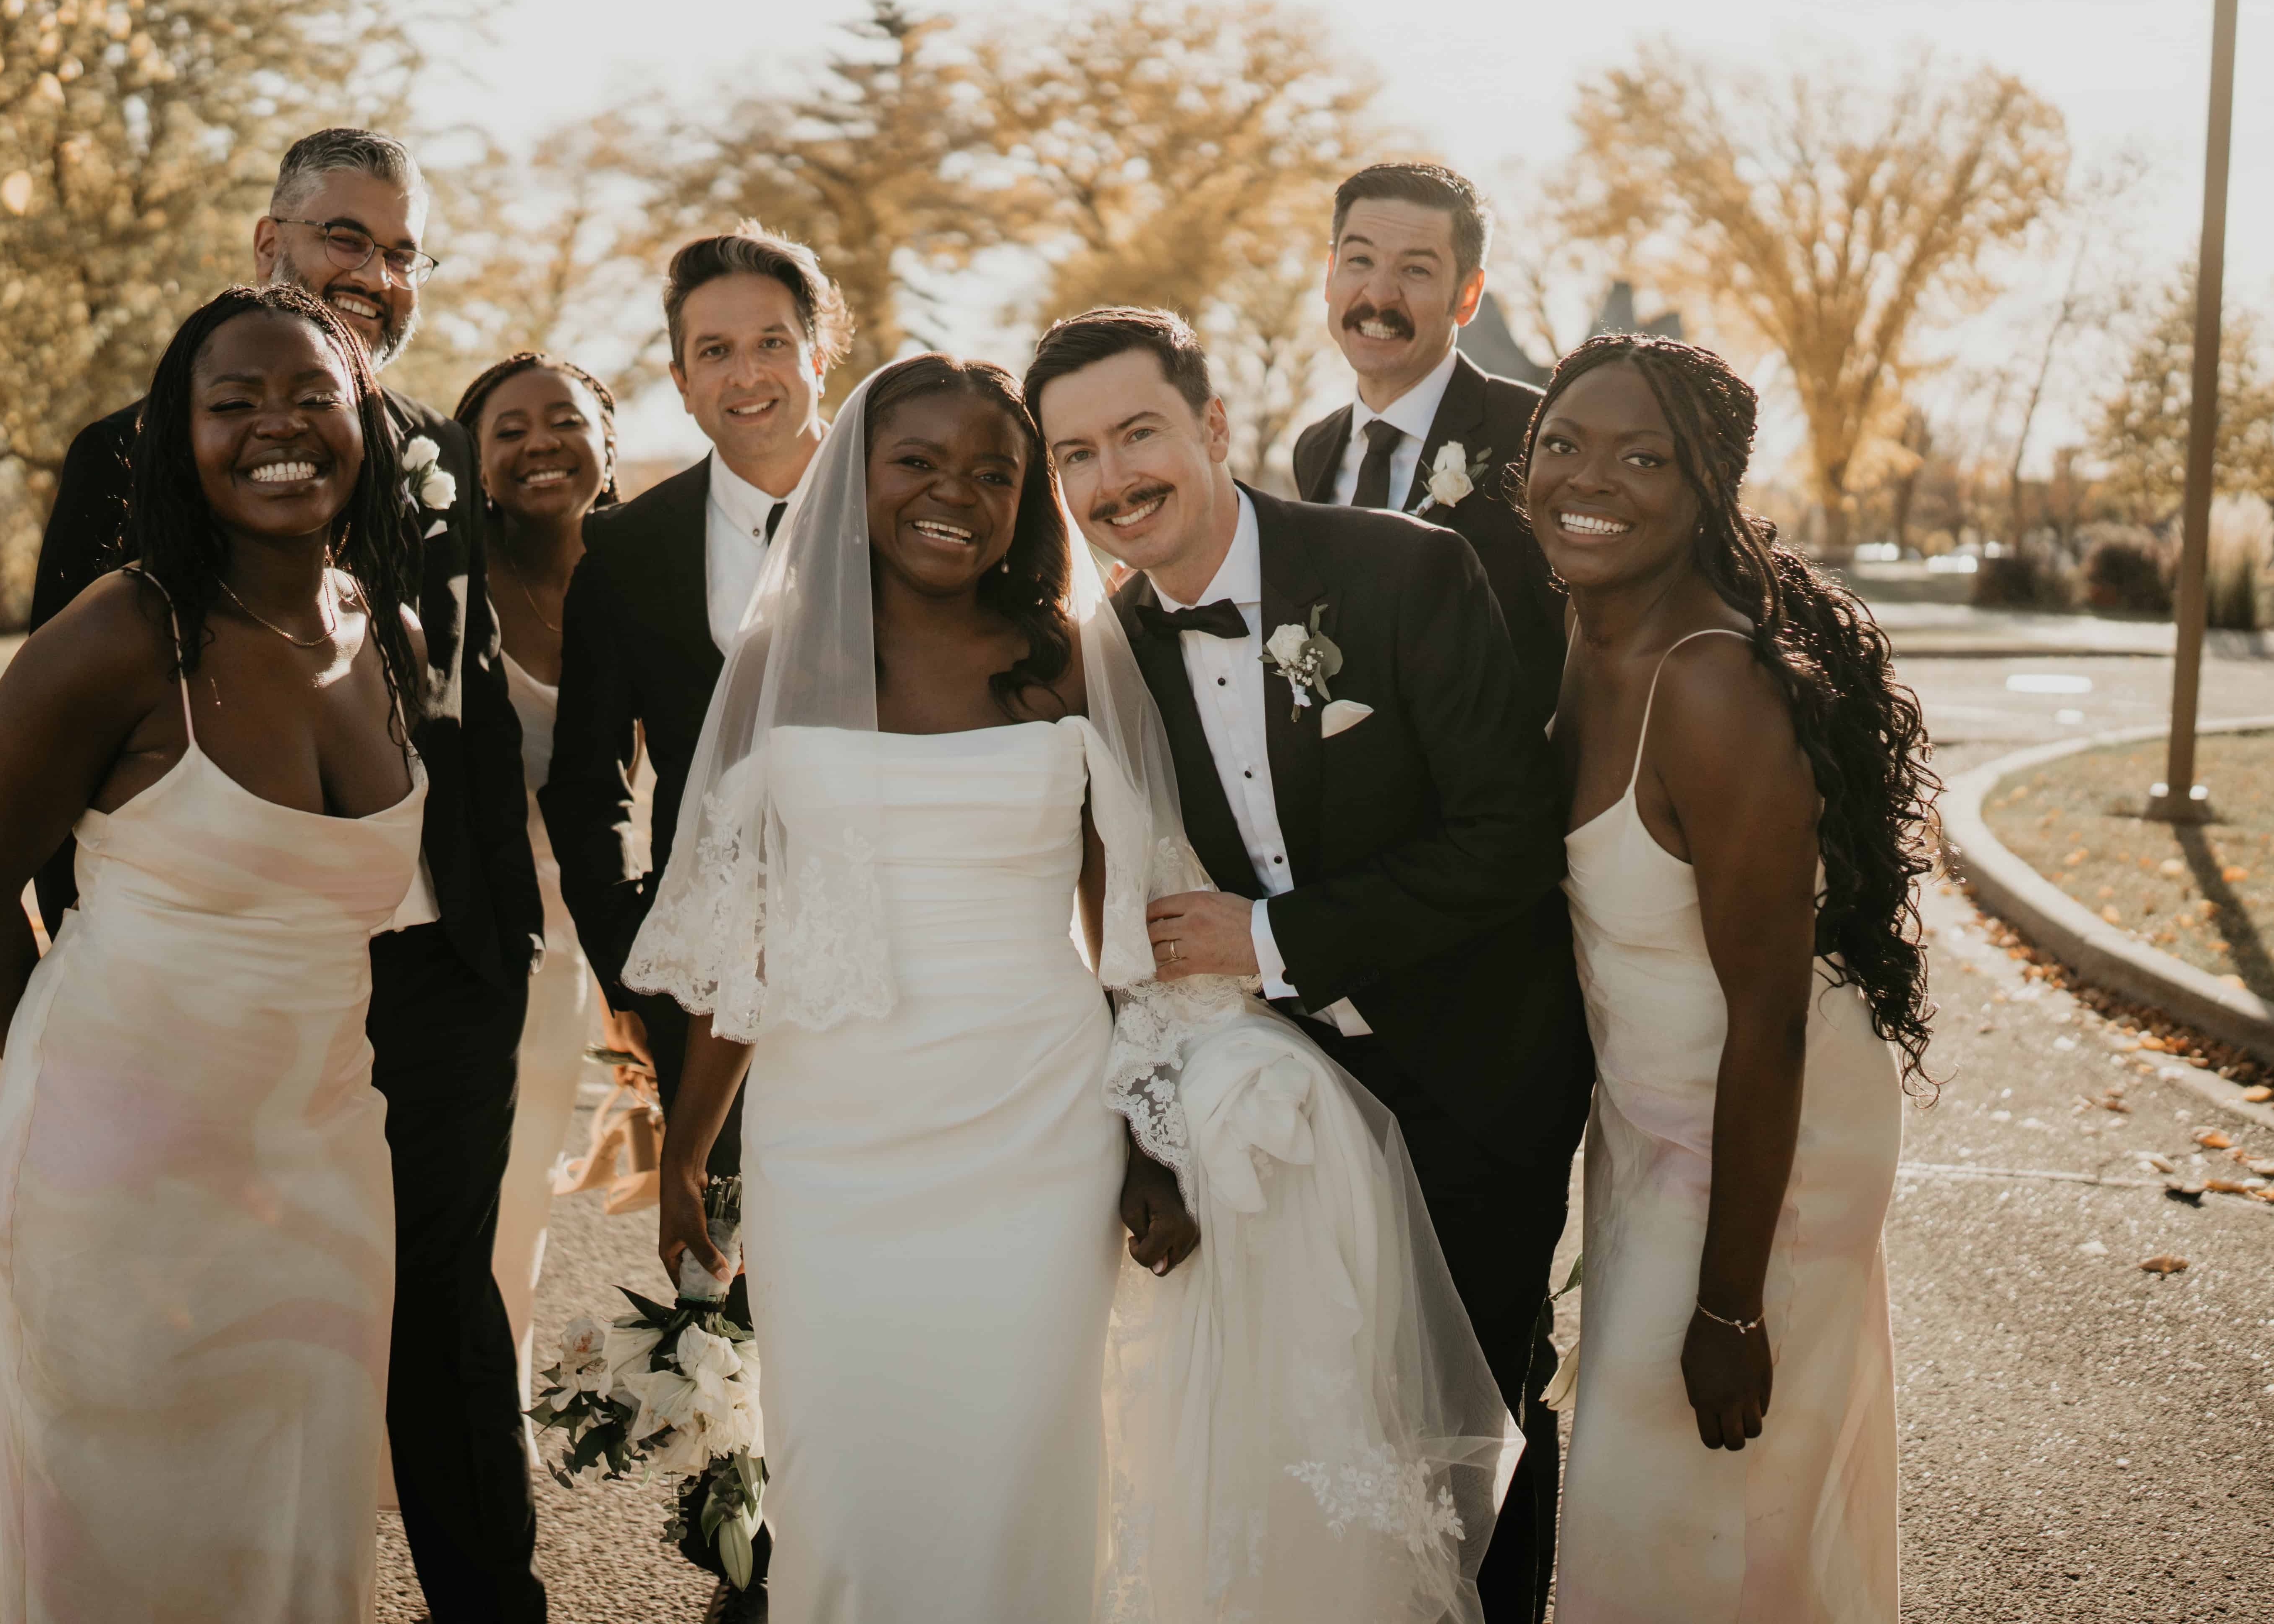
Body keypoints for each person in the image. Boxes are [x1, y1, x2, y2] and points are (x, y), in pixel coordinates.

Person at [632, 354, 1511, 1624]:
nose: (960, 495)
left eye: (996, 472)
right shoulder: (780, 663)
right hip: (829, 1144)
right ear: (854, 478)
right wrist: (684, 1153)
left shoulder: (1062, 659)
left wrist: (1148, 1139)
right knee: (846, 1479)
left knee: (1022, 1474)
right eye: (918, 463)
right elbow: (739, 944)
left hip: (1036, 1129)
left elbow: (1131, 935)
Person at [23, 128, 548, 1624]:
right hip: (217, 989)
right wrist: (94, 1024)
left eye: (399, 252)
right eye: (343, 240)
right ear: (270, 241)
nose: (372, 275)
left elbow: (474, 693)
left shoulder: (442, 449)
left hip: (433, 970)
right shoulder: (127, 458)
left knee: (445, 1317)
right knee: (215, 1318)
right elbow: (73, 762)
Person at [1027, 306, 1594, 1624]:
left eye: (1137, 434)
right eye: (1075, 456)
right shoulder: (1108, 657)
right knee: (1332, 1437)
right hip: (1283, 1109)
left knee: (1478, 1425)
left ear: (1214, 427)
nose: (1111, 480)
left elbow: (1512, 838)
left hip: (1470, 1079)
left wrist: (1274, 940)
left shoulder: (1405, 571)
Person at [0, 284, 433, 1622]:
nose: (281, 426)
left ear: (365, 423)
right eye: (235, 403)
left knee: (299, 1520)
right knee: (130, 1543)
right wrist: (73, 1085)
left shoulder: (388, 631)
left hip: (325, 1176)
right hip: (118, 1188)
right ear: (178, 439)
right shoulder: (121, 632)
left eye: (314, 396)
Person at [1524, 334, 1925, 1623]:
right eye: (1564, 444)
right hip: (1653, 1118)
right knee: (1670, 1518)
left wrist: (1733, 1306)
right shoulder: (1580, 635)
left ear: (1706, 494)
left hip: (1769, 1148)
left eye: (1646, 457)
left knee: (1687, 1508)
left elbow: (1775, 1023)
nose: (1592, 479)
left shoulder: (1712, 688)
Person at [542, 225, 837, 1167]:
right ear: (680, 379)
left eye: (771, 343)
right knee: (731, 1270)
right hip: (709, 988)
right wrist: (636, 966)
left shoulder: (906, 506)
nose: (746, 373)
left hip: (907, 969)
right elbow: (586, 786)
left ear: (820, 354)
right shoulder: (626, 550)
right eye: (714, 351)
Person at [450, 351, 634, 1391]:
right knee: (431, 1199)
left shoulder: (645, 575)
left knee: (519, 1200)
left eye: (561, 420)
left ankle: (487, 1430)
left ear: (606, 441)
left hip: (578, 944)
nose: (537, 445)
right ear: (475, 462)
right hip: (453, 935)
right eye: (507, 430)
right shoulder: (449, 581)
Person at [1288, 163, 1567, 722]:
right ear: (1330, 275)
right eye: (1360, 260)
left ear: (1467, 295)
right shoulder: (1313, 450)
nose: (1379, 294)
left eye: (1415, 270)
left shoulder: (1538, 432)